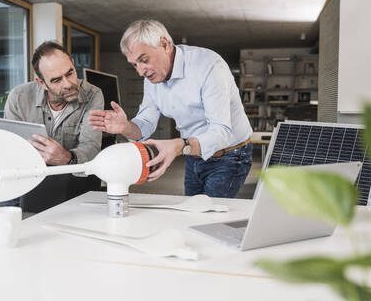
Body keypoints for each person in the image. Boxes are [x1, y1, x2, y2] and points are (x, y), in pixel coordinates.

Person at [88, 20, 253, 198]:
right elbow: (145, 123)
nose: (140, 71)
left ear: (164, 44)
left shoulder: (209, 66)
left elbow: (221, 132)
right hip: (193, 154)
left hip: (230, 154)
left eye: (144, 60)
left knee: (210, 217)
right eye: (134, 64)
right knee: (192, 212)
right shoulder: (151, 78)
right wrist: (125, 127)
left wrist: (180, 145)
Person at [0, 40, 104, 212]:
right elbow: (8, 145)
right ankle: (12, 215)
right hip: (24, 170)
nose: (67, 84)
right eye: (56, 80)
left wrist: (66, 157)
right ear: (42, 82)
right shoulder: (19, 96)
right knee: (2, 173)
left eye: (70, 73)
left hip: (68, 174)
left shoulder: (93, 95)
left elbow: (91, 146)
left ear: (73, 63)